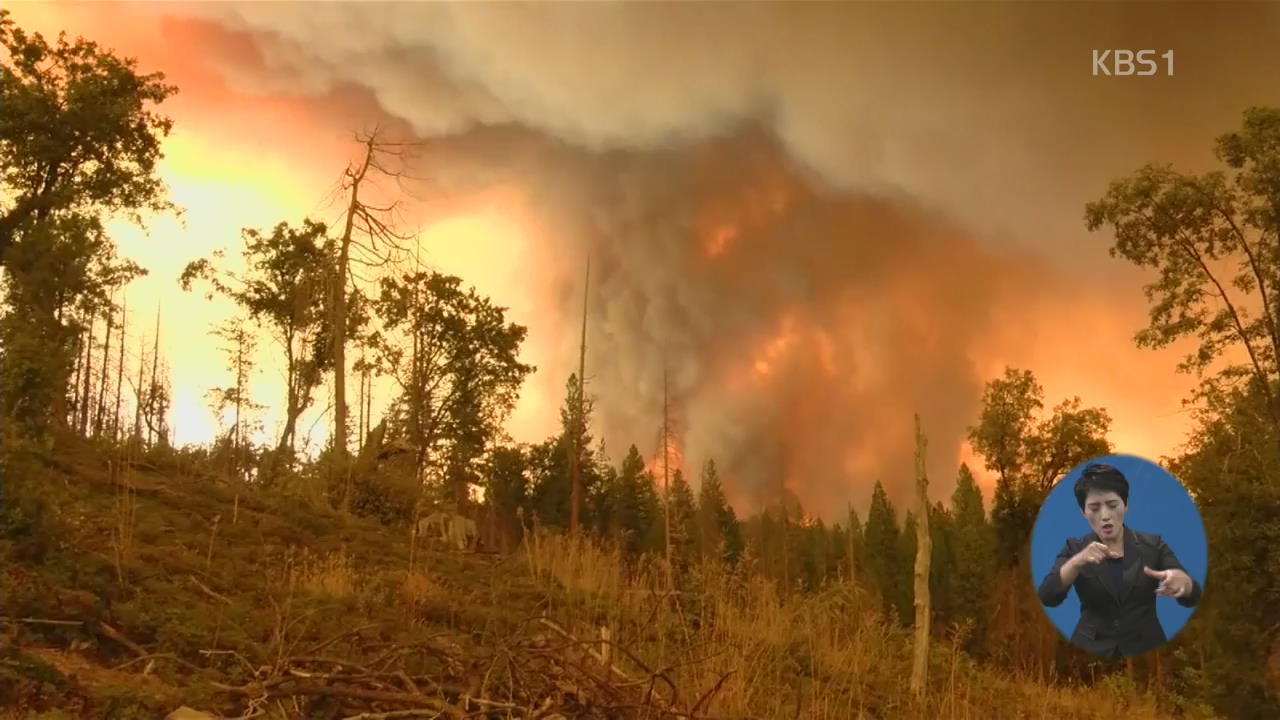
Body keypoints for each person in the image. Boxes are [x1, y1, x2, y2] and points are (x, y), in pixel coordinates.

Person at [1037, 463, 1202, 658]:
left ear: (1125, 504)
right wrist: (1076, 562)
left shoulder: (1153, 545)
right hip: (1089, 651)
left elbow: (1192, 595)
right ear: (1083, 512)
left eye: (1112, 505)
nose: (1105, 516)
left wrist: (1184, 583)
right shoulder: (1075, 548)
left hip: (1147, 650)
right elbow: (1047, 596)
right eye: (1094, 508)